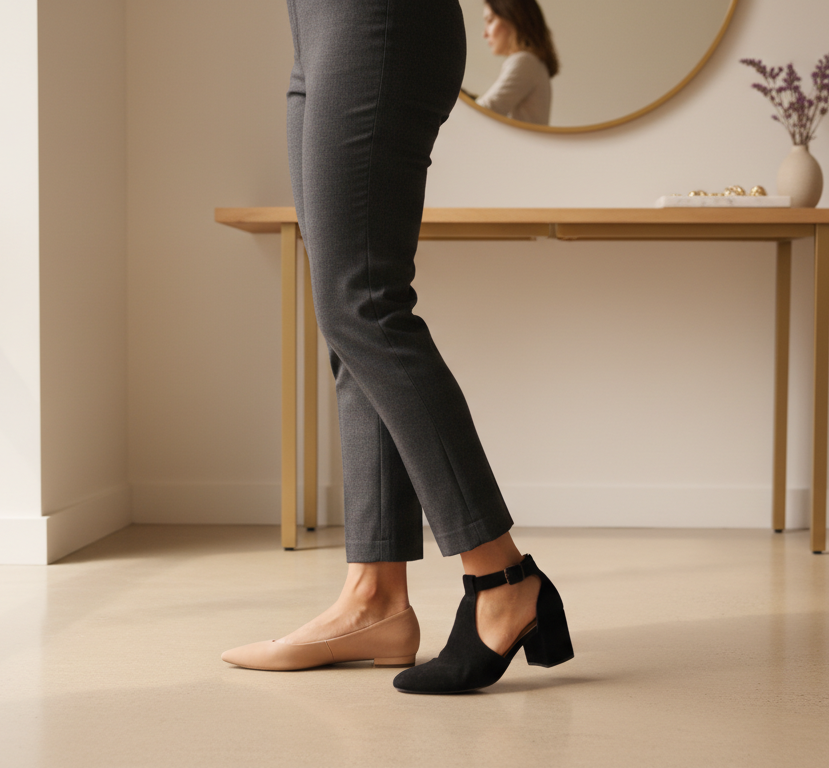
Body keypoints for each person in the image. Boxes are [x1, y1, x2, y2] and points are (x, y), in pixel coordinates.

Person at [220, 0, 573, 694]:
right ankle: (374, 599)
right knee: (348, 315)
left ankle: (504, 579)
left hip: (374, 16)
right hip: (316, 27)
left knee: (363, 302)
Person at [474, 0, 558, 126]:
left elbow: (486, 110)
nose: (484, 34)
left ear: (513, 18)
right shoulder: (532, 62)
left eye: (490, 20)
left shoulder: (525, 61)